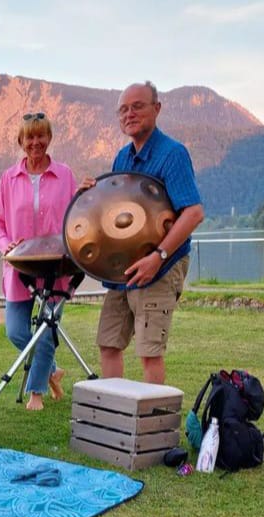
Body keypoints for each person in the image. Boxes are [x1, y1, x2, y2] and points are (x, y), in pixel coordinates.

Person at [80, 81, 205, 384]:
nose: (130, 114)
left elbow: (193, 212)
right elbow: (115, 214)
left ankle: (152, 428)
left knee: (149, 351)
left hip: (159, 267)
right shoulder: (123, 157)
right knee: (109, 343)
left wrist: (158, 257)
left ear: (156, 109)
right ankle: (114, 417)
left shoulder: (172, 154)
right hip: (124, 269)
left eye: (138, 106)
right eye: (123, 109)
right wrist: (88, 197)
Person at [0, 112, 77, 411]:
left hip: (55, 265)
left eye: (41, 136)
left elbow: (77, 219)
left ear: (49, 139)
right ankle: (52, 370)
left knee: (48, 325)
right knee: (15, 330)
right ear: (21, 142)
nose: (35, 142)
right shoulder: (8, 179)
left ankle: (36, 393)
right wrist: (6, 245)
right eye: (30, 137)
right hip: (20, 267)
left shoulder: (65, 175)